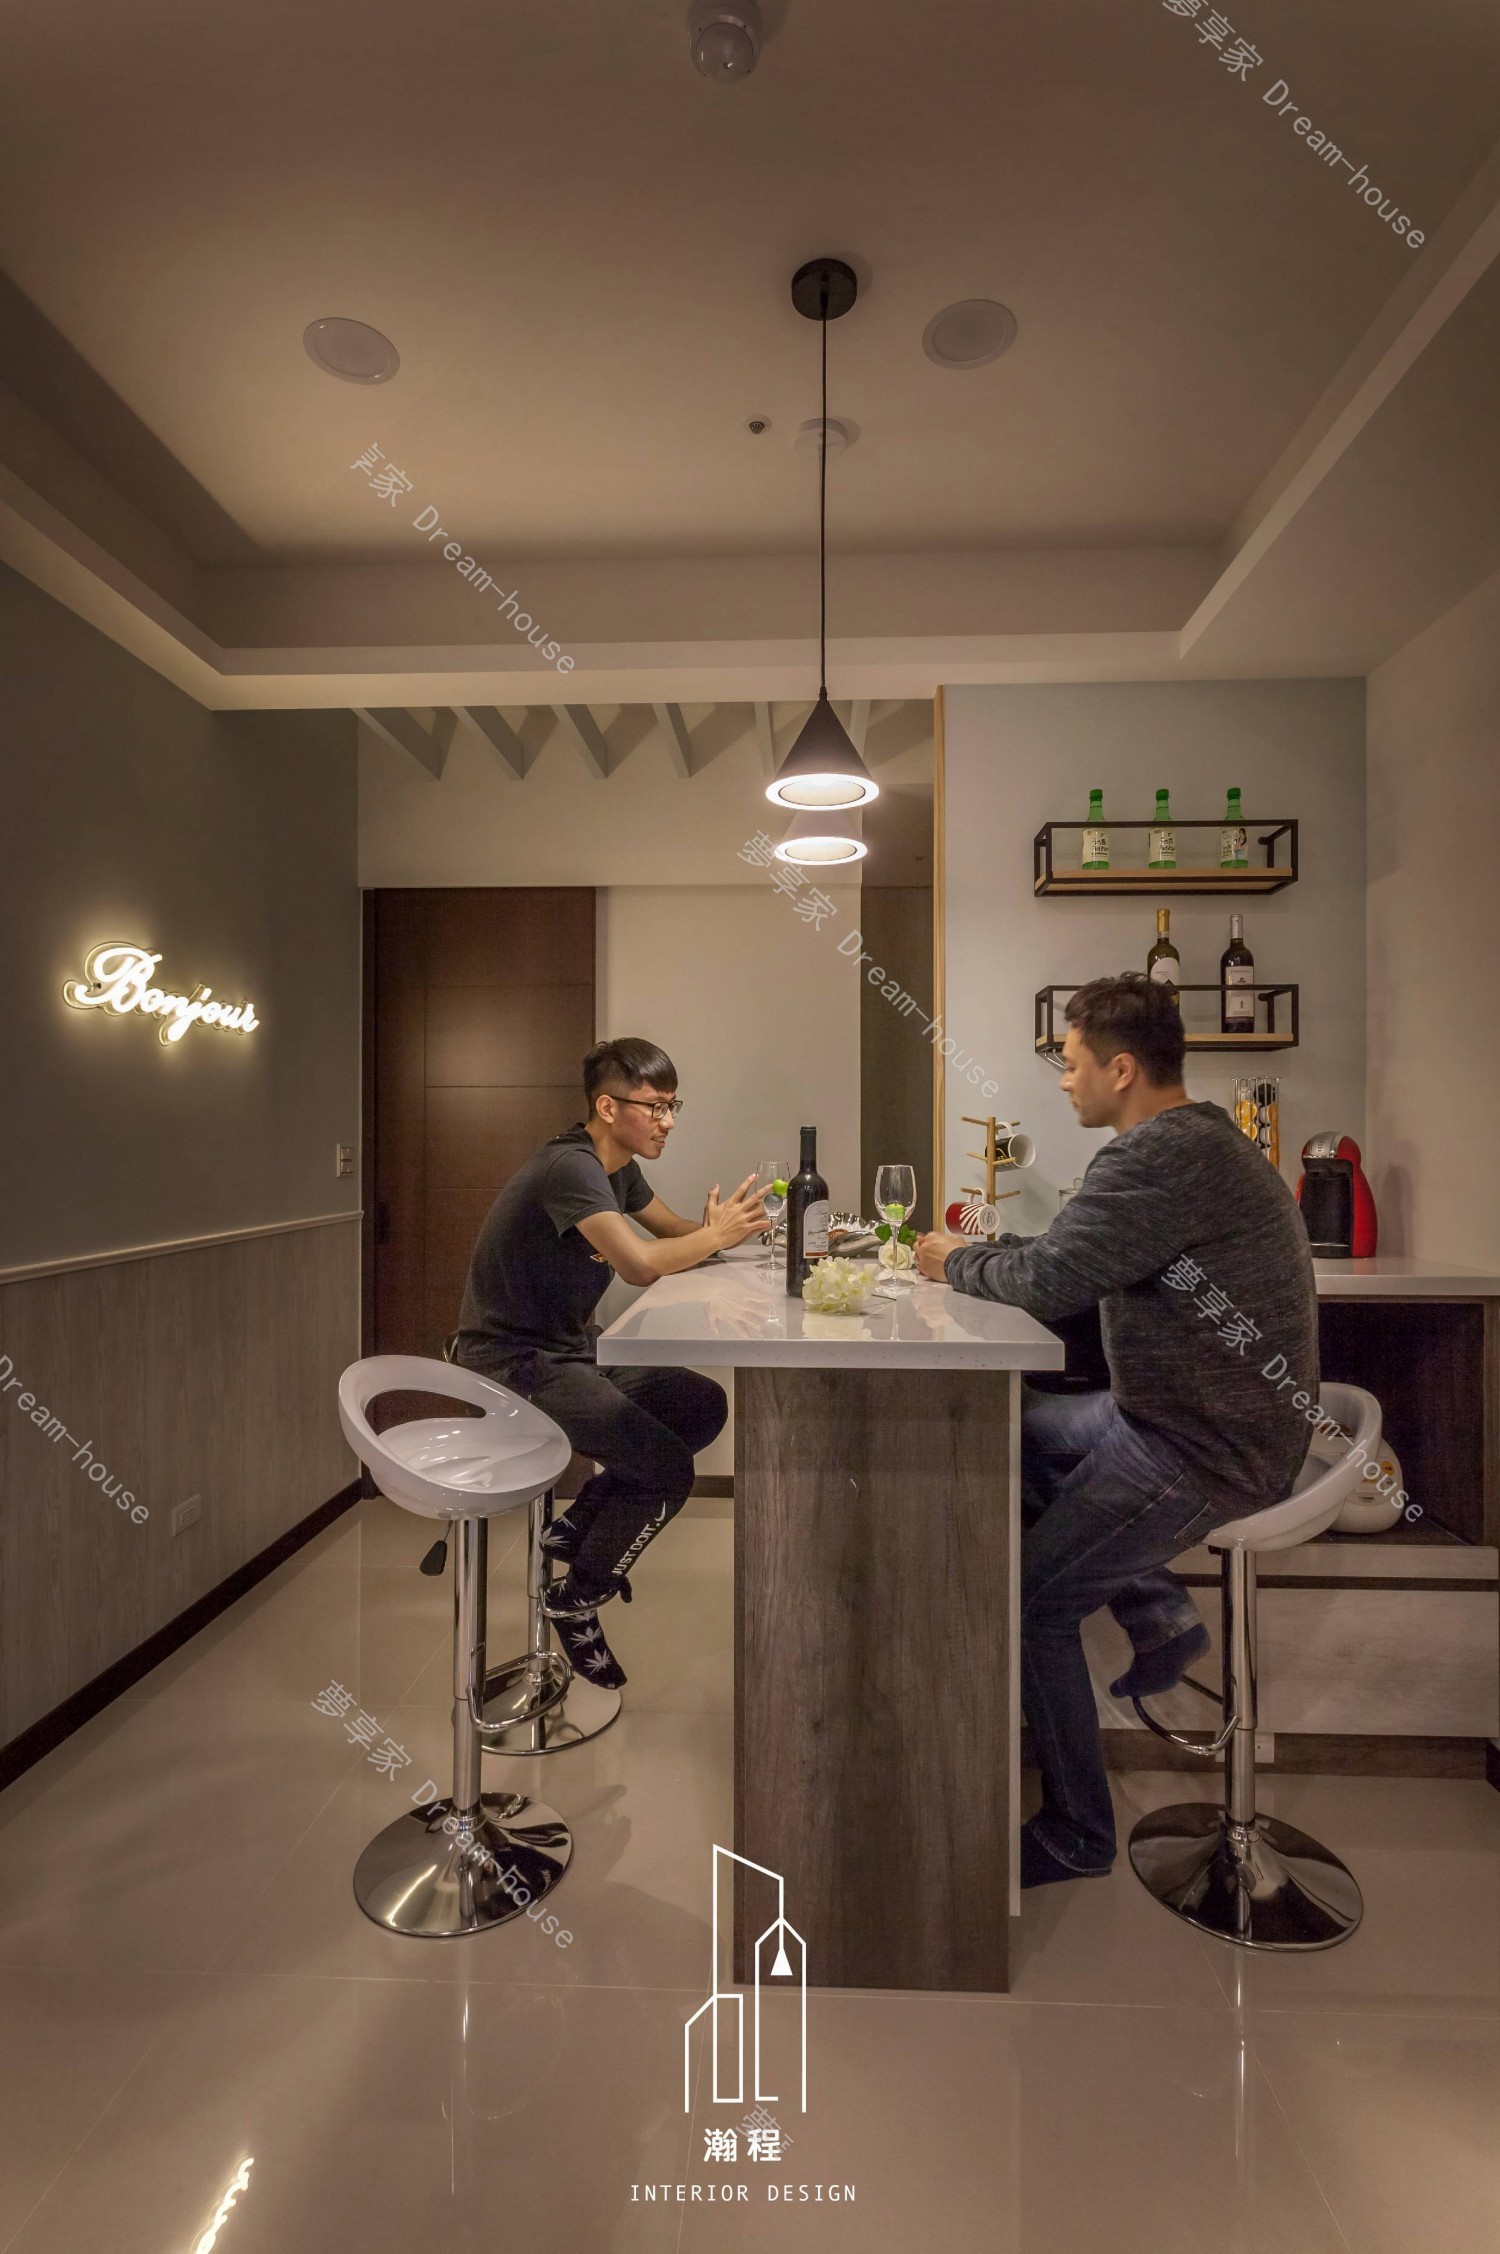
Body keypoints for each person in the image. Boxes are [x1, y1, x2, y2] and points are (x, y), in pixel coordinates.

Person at [915, 974, 1317, 1887]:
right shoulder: (1191, 1141)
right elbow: (1069, 1254)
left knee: (1031, 1604)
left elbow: (1048, 1283)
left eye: (1072, 1062)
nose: (1065, 1079)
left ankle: (1075, 1834)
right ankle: (1157, 1612)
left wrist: (952, 1261)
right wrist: (978, 1256)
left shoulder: (1155, 1157)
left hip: (1204, 1447)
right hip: (1180, 1417)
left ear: (1121, 1068)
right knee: (1013, 1428)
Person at [454, 1036, 765, 1687]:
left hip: (572, 1351)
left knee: (702, 1404)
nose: (668, 1121)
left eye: (673, 1106)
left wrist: (735, 1235)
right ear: (606, 1106)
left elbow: (671, 1232)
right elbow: (641, 1264)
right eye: (655, 1107)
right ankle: (577, 1598)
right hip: (513, 1365)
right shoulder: (571, 1168)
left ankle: (580, 1525)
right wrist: (712, 1237)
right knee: (666, 1469)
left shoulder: (616, 1168)